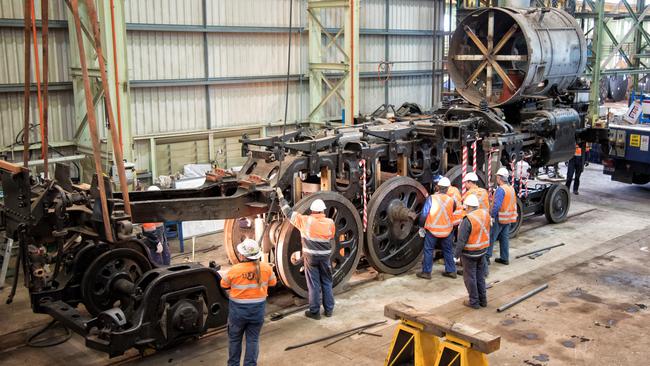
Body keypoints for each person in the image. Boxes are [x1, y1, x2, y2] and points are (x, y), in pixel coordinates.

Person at [277, 188, 336, 319]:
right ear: (323, 210)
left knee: (314, 284)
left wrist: (281, 198)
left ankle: (314, 312)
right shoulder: (330, 222)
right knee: (327, 282)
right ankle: (329, 310)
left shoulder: (305, 220)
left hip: (311, 258)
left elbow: (288, 213)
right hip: (325, 257)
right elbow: (331, 236)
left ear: (312, 210)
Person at [221, 239, 276, 366]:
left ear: (242, 255)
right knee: (253, 340)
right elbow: (272, 283)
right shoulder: (266, 268)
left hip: (237, 314)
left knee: (234, 340)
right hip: (257, 313)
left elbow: (223, 284)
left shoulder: (235, 270)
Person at [454, 194, 490, 309]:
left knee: (470, 278)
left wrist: (456, 255)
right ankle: (483, 300)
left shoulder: (468, 219)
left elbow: (461, 240)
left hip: (470, 254)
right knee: (480, 276)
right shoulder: (485, 214)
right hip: (482, 251)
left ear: (468, 207)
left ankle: (474, 302)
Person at [417, 179, 456, 279]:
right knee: (448, 250)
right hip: (447, 231)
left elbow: (424, 214)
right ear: (447, 189)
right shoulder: (451, 200)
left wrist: (421, 226)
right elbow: (453, 210)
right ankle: (451, 271)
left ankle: (426, 272)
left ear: (437, 187)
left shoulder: (432, 198)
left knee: (429, 250)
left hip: (433, 230)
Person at [488, 167, 518, 267]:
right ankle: (504, 258)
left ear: (500, 178)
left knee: (491, 237)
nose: (496, 179)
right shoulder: (511, 189)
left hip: (500, 218)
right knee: (504, 238)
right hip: (508, 218)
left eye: (497, 177)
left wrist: (492, 215)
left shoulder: (501, 190)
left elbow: (497, 205)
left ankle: (486, 258)